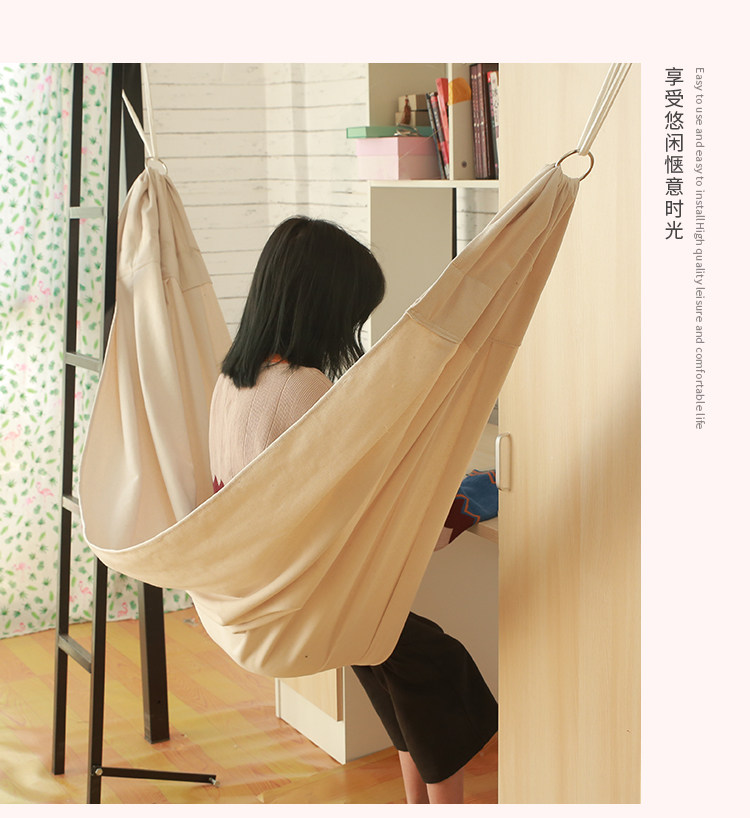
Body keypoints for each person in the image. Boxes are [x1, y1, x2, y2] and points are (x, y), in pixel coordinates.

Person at [208, 215, 497, 804]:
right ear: (322, 306)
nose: (351, 329)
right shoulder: (300, 386)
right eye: (351, 315)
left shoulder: (234, 379)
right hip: (306, 599)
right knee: (437, 671)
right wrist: (456, 511)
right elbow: (359, 514)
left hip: (251, 590)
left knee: (398, 666)